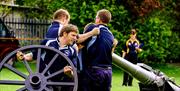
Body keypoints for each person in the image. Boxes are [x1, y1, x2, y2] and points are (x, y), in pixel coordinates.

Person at [79, 9, 116, 91]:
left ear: (99, 19)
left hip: (94, 71)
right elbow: (110, 54)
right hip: (108, 72)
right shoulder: (110, 34)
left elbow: (77, 40)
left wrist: (90, 33)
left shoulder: (93, 28)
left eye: (96, 18)